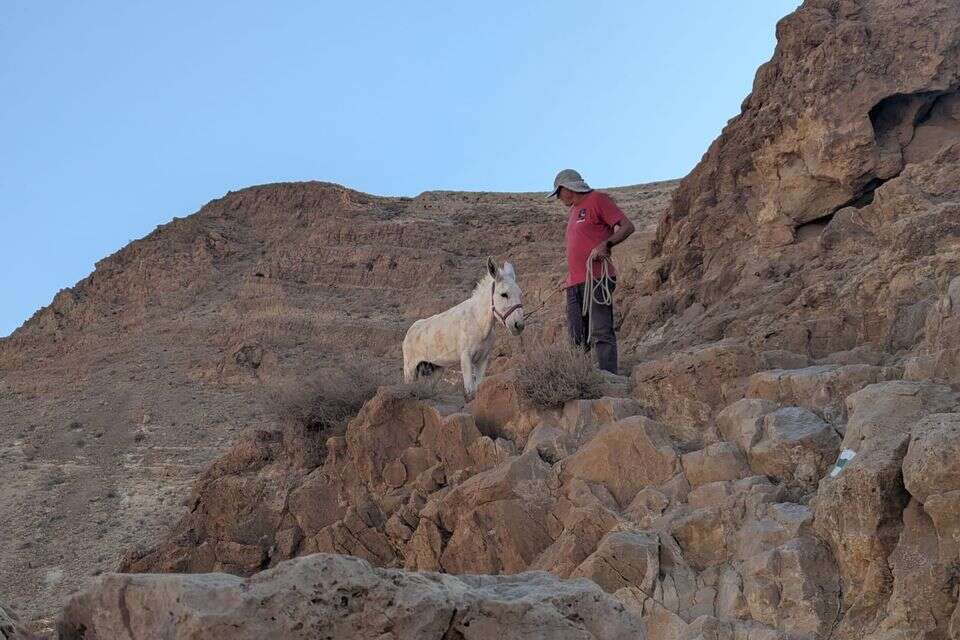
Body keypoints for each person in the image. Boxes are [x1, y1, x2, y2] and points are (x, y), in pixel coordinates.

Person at [549, 169, 635, 374]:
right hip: (575, 283)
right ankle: (581, 378)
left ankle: (610, 377)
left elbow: (627, 226)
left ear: (567, 188)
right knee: (576, 336)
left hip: (597, 278)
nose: (558, 198)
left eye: (558, 193)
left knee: (601, 330)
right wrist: (569, 276)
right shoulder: (572, 212)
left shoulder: (598, 199)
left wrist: (606, 244)